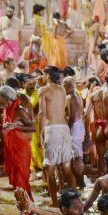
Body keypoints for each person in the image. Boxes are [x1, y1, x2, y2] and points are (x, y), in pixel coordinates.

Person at [39, 66, 76, 206]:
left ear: (48, 75)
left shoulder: (43, 90)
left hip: (52, 129)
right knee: (66, 168)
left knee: (50, 169)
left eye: (43, 74)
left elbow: (42, 114)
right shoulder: (61, 89)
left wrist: (40, 134)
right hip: (64, 129)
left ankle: (54, 202)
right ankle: (74, 201)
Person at [0, 86, 34, 198]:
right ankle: (24, 207)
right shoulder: (6, 110)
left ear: (7, 98)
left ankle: (29, 209)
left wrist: (15, 126)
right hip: (11, 149)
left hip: (21, 150)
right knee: (15, 181)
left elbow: (32, 128)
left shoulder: (20, 111)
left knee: (21, 180)